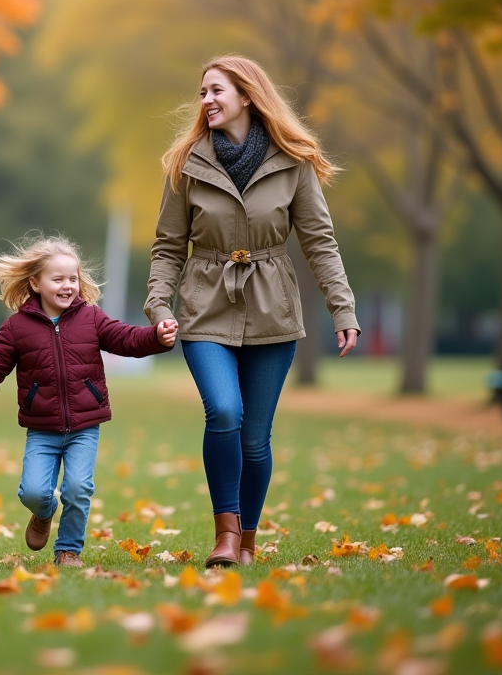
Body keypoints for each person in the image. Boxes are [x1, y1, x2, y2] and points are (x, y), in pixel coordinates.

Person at [145, 54, 360, 568]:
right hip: (205, 306)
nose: (206, 101)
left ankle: (246, 540)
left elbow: (320, 242)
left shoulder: (294, 161)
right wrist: (157, 304)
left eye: (216, 90)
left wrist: (343, 308)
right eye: (202, 92)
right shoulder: (185, 164)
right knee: (223, 411)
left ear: (247, 95)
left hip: (272, 309)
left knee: (255, 439)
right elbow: (168, 246)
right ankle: (223, 536)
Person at [0, 235, 177, 567]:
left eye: (72, 278)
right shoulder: (16, 328)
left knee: (77, 488)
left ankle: (68, 549)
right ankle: (43, 514)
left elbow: (125, 338)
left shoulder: (91, 317)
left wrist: (156, 336)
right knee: (33, 492)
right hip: (42, 429)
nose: (68, 286)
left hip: (85, 426)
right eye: (58, 279)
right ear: (35, 283)